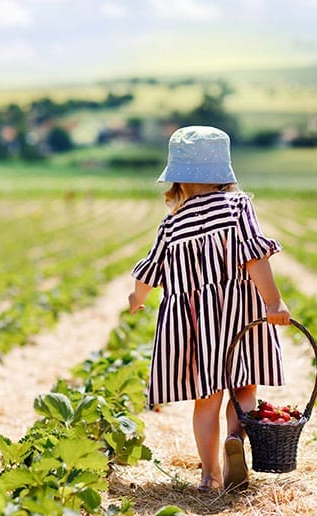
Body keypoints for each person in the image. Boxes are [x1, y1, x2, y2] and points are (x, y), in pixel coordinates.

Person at [128, 125, 291, 493]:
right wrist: (273, 301)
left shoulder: (171, 223)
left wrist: (136, 299)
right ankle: (236, 438)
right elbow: (255, 257)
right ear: (223, 174)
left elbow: (150, 272)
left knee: (206, 399)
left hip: (197, 326)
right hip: (239, 316)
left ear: (178, 180)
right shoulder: (237, 206)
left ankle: (209, 475)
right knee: (244, 386)